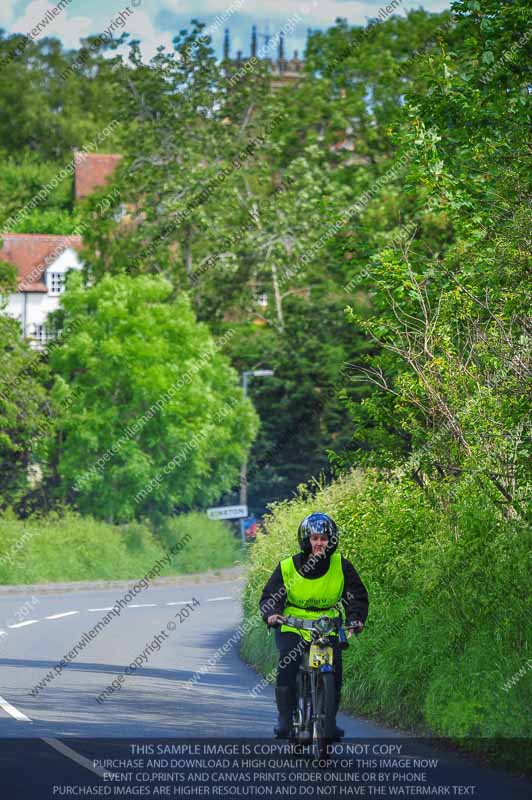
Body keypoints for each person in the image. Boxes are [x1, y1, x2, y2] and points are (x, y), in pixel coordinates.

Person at [259, 512, 368, 739]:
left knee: (335, 668)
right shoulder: (288, 567)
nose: (319, 543)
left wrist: (355, 618)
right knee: (288, 662)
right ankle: (285, 719)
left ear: (331, 540)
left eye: (324, 538)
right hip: (293, 625)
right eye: (315, 538)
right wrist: (272, 614)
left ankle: (330, 720)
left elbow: (356, 595)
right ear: (306, 541)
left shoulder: (341, 566)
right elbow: (271, 596)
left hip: (327, 626)